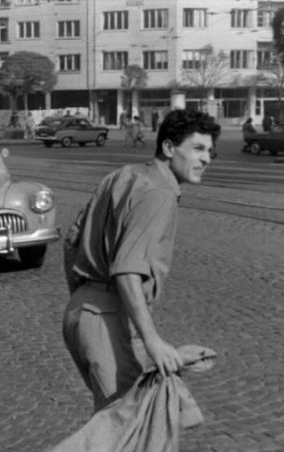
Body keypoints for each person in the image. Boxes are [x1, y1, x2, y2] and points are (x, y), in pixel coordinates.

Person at [62, 108, 221, 412]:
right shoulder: (160, 193)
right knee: (126, 427)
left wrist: (84, 301)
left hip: (82, 311)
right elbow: (126, 269)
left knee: (125, 421)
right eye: (198, 149)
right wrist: (153, 341)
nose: (206, 159)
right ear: (169, 148)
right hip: (108, 317)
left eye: (210, 151)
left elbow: (72, 241)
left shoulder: (124, 175)